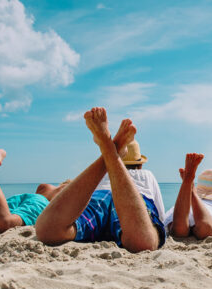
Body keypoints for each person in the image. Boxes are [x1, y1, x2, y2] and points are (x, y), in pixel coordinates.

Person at [34, 108, 165, 253]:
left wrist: (108, 157)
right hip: (133, 200)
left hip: (101, 196)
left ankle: (108, 149)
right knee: (143, 242)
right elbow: (160, 214)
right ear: (140, 165)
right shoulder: (146, 174)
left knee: (48, 231)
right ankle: (110, 149)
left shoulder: (101, 173)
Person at [165, 153, 212, 239]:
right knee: (207, 231)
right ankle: (193, 193)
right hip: (206, 212)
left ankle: (189, 187)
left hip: (184, 207)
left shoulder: (184, 200)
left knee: (177, 231)